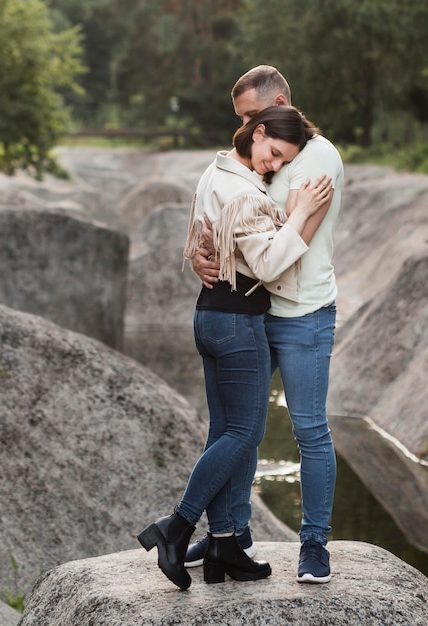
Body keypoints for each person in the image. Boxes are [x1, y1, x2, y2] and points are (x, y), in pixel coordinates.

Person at [136, 105, 333, 590]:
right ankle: (176, 527)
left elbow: (209, 240)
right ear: (257, 131)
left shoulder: (214, 171)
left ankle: (224, 540)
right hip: (239, 321)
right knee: (245, 434)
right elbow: (267, 265)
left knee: (224, 429)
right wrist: (303, 212)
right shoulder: (244, 190)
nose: (273, 165)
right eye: (271, 153)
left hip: (208, 314)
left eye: (282, 160)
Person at [187, 65, 344, 584]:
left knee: (309, 430)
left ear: (279, 104)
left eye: (255, 116)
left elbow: (282, 250)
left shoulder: (315, 158)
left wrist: (242, 244)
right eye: (250, 123)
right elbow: (230, 219)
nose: (249, 131)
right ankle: (229, 533)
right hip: (255, 311)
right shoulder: (264, 152)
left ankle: (314, 543)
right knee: (238, 429)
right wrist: (201, 254)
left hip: (301, 314)